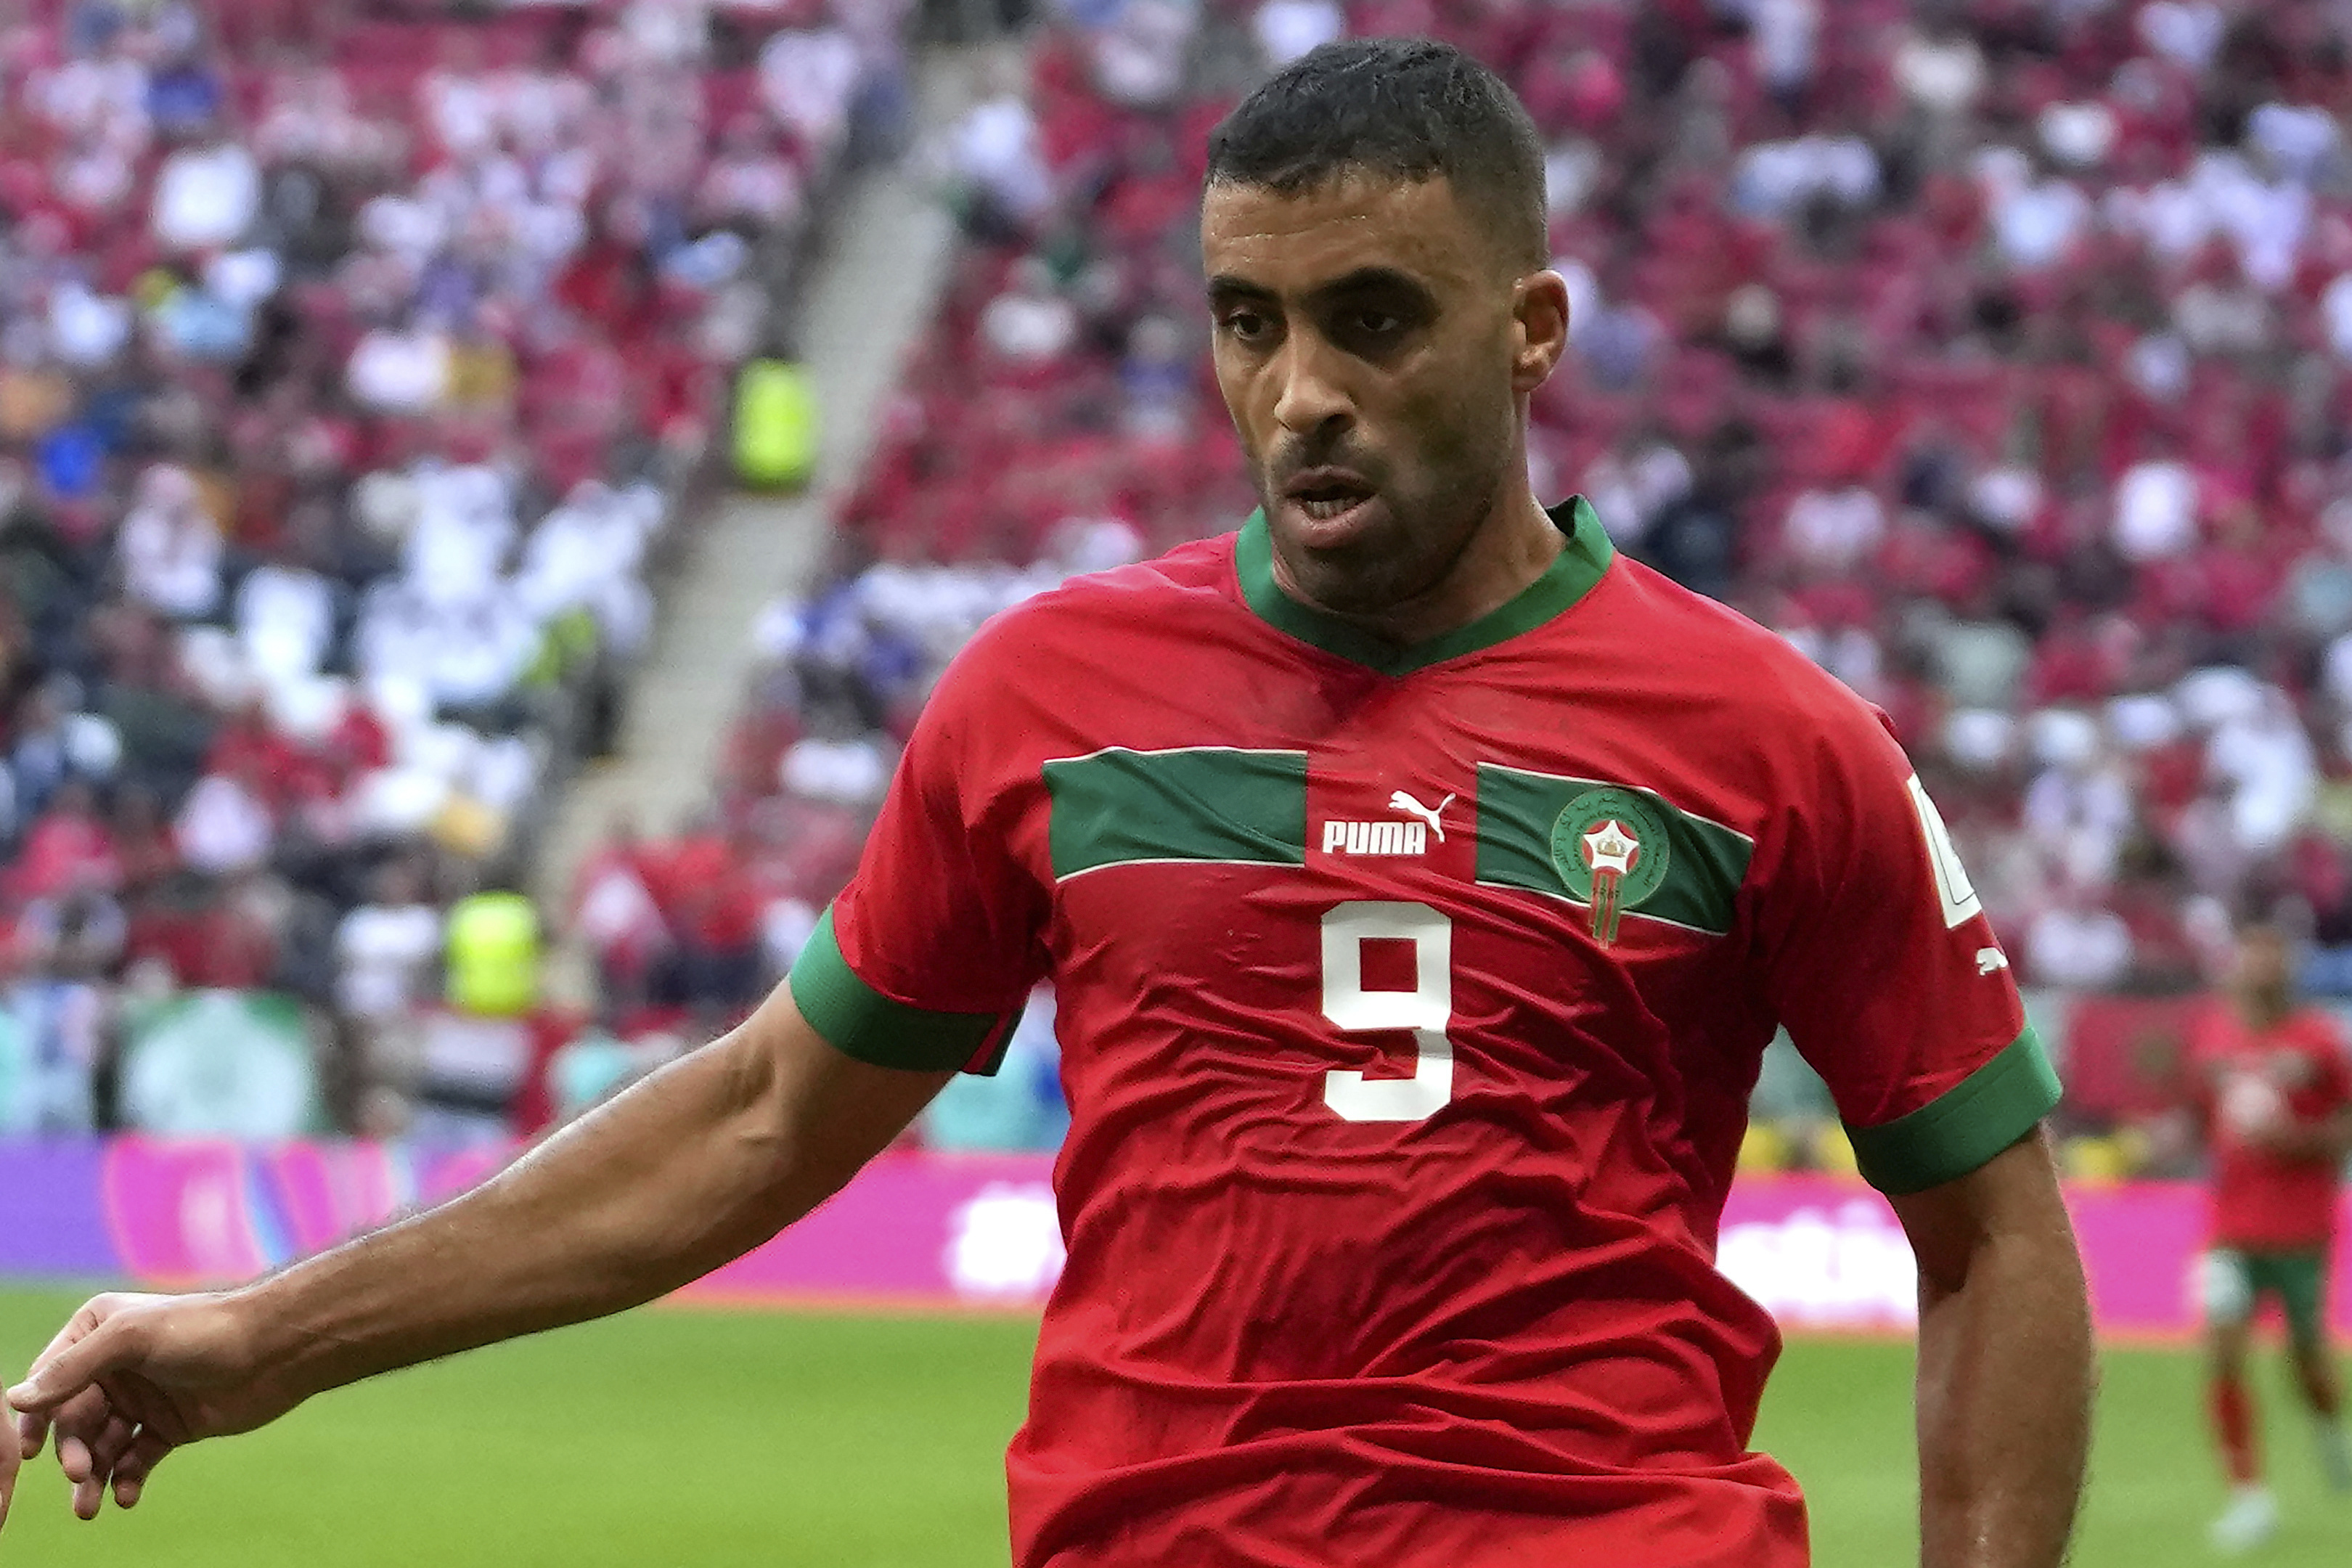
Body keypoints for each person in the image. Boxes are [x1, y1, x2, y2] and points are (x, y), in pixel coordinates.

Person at [0, 41, 2092, 1565]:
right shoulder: (1048, 701)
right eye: (1249, 324)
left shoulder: (1769, 738)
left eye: (1375, 321)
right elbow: (755, 1121)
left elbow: (1994, 1224)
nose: (1300, 391)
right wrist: (274, 1332)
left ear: (1529, 331)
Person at [2190, 918, 2352, 1553]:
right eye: (2249, 960)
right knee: (2223, 1355)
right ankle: (2248, 1497)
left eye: (2269, 961)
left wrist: (2293, 1141)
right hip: (2229, 1231)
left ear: (2286, 970)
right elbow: (2204, 1119)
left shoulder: (2317, 1042)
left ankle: (2328, 1430)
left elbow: (2345, 1129)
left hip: (2301, 1230)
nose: (2257, 972)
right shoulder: (2214, 1037)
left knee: (2305, 1359)